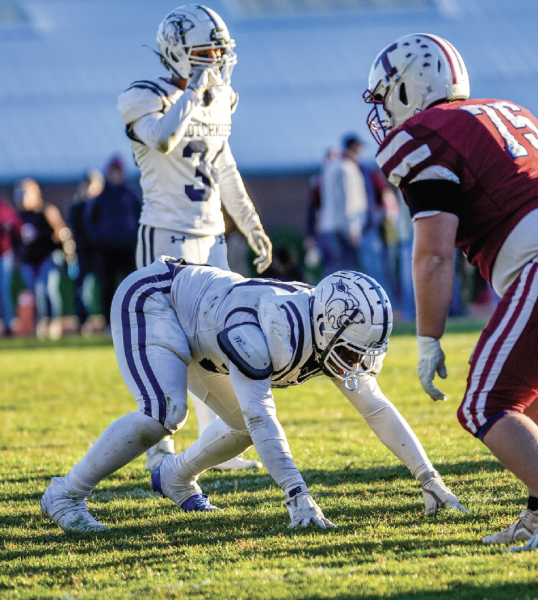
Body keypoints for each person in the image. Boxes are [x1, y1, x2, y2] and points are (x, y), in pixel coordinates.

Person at [40, 257, 469, 533]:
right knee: (164, 413)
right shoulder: (265, 328)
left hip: (206, 334)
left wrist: (429, 479)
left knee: (241, 428)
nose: (358, 362)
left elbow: (376, 407)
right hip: (157, 300)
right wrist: (297, 495)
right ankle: (66, 493)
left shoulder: (322, 326)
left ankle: (175, 475)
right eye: (354, 350)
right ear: (328, 326)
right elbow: (264, 415)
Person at [364, 33, 538, 551]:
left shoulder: (426, 133)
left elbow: (434, 251)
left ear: (406, 89)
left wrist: (427, 337)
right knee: (528, 404)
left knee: (487, 403)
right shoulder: (507, 109)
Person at [117, 5, 272, 471]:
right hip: (167, 231)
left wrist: (251, 224)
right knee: (166, 339)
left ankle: (213, 437)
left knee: (218, 338)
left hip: (211, 233)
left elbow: (224, 167)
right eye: (204, 54)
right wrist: (195, 94)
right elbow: (163, 140)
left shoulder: (220, 96)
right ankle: (158, 444)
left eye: (220, 54)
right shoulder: (144, 95)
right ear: (177, 54)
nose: (215, 64)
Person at [84, 156, 141, 330]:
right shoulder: (101, 197)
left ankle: (131, 321)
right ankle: (109, 323)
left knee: (131, 285)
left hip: (128, 248)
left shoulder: (131, 194)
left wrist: (134, 237)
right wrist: (98, 239)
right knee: (107, 287)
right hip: (107, 250)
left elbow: (141, 216)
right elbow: (89, 220)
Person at [14, 178, 75, 340]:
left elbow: (60, 233)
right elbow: (15, 239)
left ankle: (52, 321)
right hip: (29, 260)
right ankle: (37, 323)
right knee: (32, 292)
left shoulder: (46, 211)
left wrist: (67, 254)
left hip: (47, 257)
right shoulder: (20, 216)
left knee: (46, 289)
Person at [317, 136, 367, 278]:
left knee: (332, 270)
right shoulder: (347, 168)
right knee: (347, 272)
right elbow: (348, 199)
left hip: (330, 225)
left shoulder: (330, 167)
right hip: (344, 228)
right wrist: (353, 227)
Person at [67, 169, 105, 332]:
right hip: (83, 253)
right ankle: (83, 321)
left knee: (105, 288)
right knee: (82, 290)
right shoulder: (77, 207)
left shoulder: (104, 205)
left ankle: (108, 322)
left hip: (101, 252)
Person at [0, 198, 23, 336]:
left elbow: (16, 224)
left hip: (3, 254)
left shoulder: (3, 207)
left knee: (4, 289)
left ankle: (8, 324)